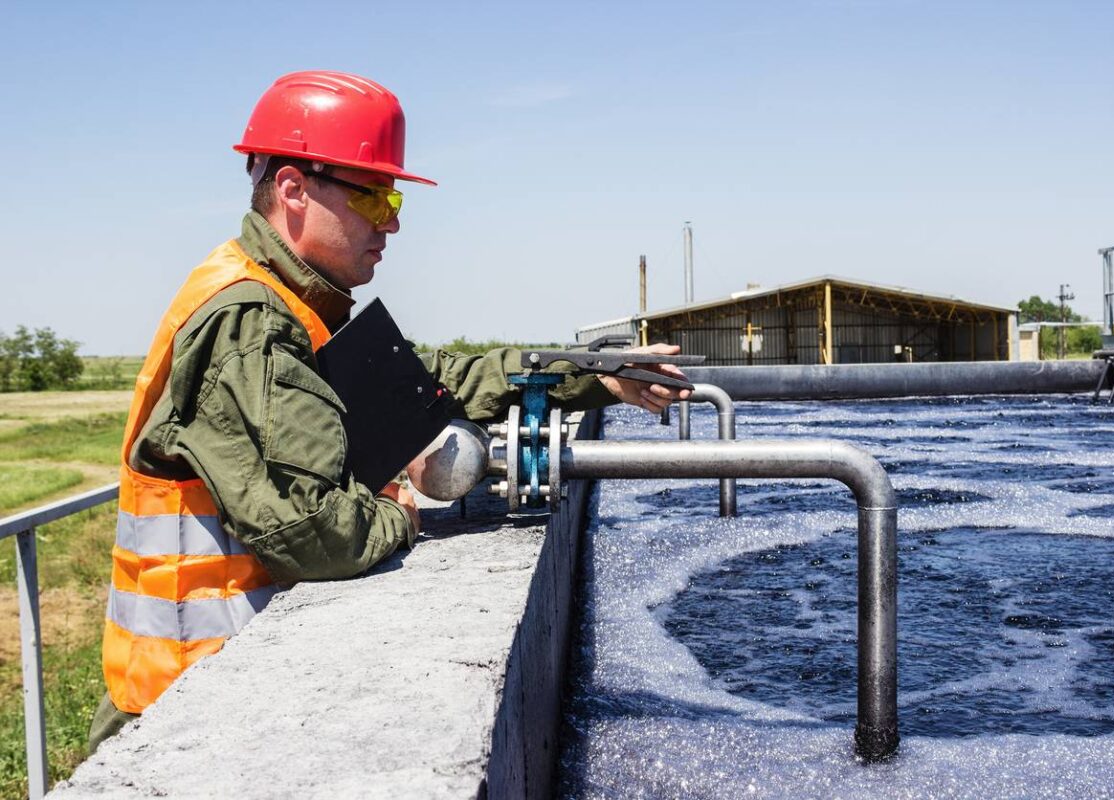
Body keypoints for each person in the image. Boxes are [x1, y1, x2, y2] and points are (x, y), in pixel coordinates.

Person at [89, 70, 689, 750]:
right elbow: (311, 529)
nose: (394, 222)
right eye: (375, 198)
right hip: (180, 718)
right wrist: (398, 513)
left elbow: (434, 386)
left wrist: (590, 377)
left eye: (392, 198)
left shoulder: (293, 307)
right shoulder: (250, 321)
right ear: (292, 189)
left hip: (227, 695)